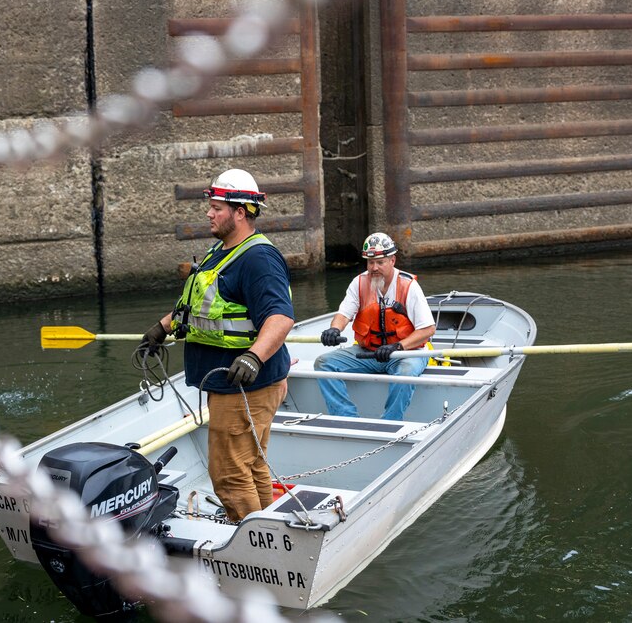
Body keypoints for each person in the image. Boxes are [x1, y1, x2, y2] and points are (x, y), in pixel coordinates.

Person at [139, 169, 294, 522]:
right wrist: (163, 329)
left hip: (245, 386)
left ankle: (253, 547)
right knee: (251, 465)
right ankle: (267, 530)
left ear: (241, 212)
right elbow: (202, 306)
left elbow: (281, 317)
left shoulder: (258, 259)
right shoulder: (222, 251)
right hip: (231, 385)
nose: (209, 213)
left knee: (229, 474)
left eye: (217, 208)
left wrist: (254, 357)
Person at [314, 232, 436, 420]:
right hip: (369, 352)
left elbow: (428, 329)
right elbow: (344, 313)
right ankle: (347, 419)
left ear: (392, 260)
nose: (374, 268)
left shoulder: (408, 286)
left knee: (406, 372)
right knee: (324, 364)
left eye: (380, 262)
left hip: (404, 353)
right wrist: (334, 329)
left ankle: (389, 422)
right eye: (370, 262)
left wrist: (397, 346)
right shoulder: (359, 283)